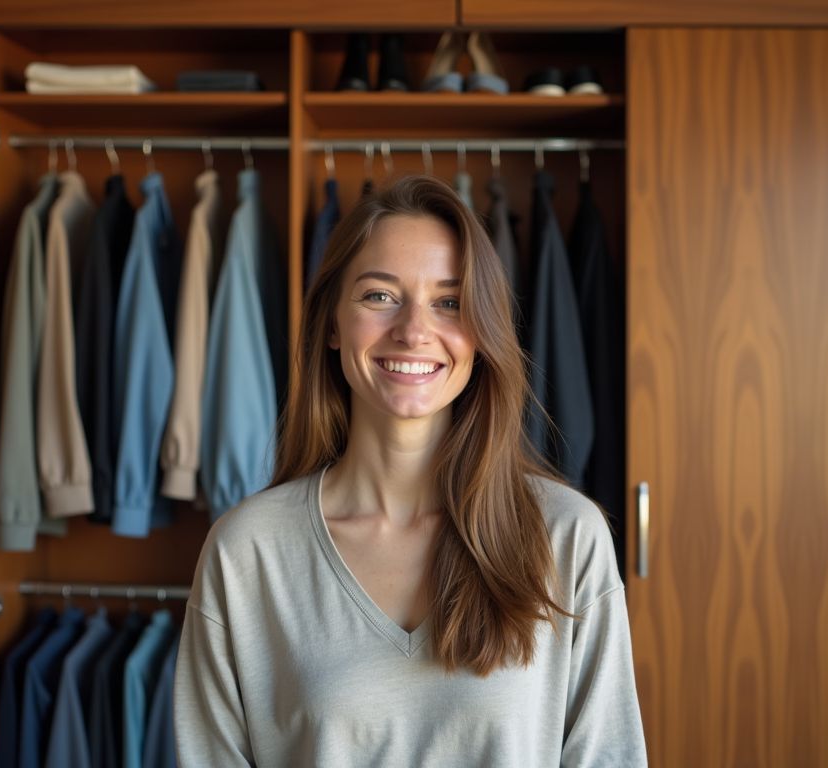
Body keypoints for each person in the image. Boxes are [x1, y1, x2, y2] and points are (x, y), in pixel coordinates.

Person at [173, 175, 647, 766]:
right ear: (330, 323)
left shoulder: (566, 538)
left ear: (481, 333)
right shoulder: (247, 551)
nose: (414, 330)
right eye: (379, 296)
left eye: (449, 302)